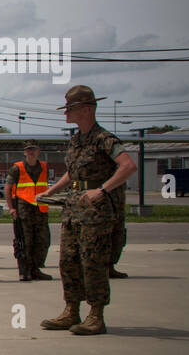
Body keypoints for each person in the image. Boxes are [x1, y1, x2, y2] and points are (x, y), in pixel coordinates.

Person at [40, 86, 137, 335]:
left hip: (96, 212)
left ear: (86, 109)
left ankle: (96, 315)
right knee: (68, 262)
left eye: (70, 109)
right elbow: (73, 173)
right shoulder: (76, 140)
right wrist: (52, 190)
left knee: (93, 262)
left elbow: (127, 166)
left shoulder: (104, 139)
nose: (66, 114)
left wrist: (102, 190)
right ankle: (71, 311)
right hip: (74, 210)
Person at [6, 141, 53, 282]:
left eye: (33, 149)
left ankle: (35, 268)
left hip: (40, 209)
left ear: (39, 151)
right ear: (25, 152)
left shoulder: (44, 167)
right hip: (23, 210)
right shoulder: (17, 168)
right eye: (28, 150)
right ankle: (24, 270)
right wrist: (11, 208)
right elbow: (7, 188)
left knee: (43, 241)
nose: (31, 152)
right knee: (25, 241)